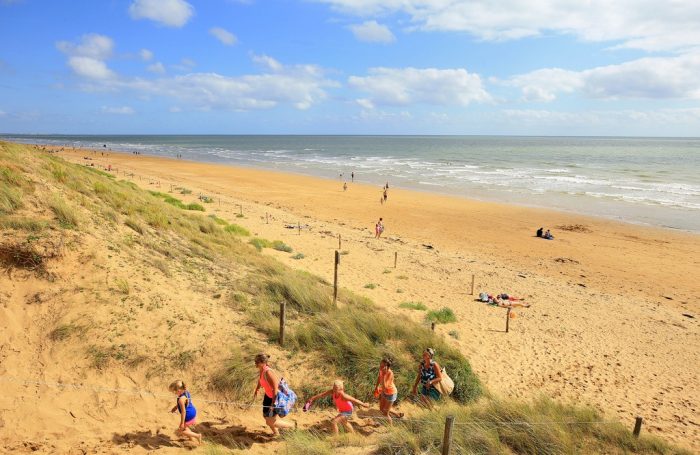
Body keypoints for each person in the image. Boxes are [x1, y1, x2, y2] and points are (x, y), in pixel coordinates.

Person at [305, 380, 369, 435]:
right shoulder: (332, 391)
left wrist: (363, 404)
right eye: (334, 387)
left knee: (334, 422)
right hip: (342, 410)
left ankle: (336, 437)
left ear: (341, 389)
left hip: (348, 411)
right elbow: (322, 394)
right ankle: (354, 434)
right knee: (345, 423)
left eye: (336, 388)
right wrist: (312, 398)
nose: (334, 389)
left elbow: (354, 400)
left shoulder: (343, 396)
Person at [253, 353, 295, 436]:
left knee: (270, 421)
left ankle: (292, 426)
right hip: (268, 396)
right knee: (266, 416)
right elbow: (260, 380)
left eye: (257, 361)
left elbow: (275, 389)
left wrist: (273, 404)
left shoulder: (268, 372)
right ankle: (276, 432)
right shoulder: (262, 369)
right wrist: (257, 388)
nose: (255, 363)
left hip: (275, 398)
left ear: (262, 362)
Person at [169, 380, 202, 446]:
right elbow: (185, 402)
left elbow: (183, 412)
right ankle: (191, 439)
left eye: (174, 392)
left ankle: (197, 436)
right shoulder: (185, 392)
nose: (174, 393)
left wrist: (181, 423)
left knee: (181, 430)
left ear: (178, 391)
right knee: (185, 427)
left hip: (188, 414)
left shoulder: (181, 399)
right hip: (192, 410)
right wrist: (176, 407)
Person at [373, 358, 403, 423]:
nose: (381, 367)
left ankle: (390, 428)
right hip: (384, 392)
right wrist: (377, 386)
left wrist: (384, 375)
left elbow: (385, 387)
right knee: (381, 409)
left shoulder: (390, 374)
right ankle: (397, 414)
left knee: (385, 413)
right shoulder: (381, 370)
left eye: (383, 366)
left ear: (387, 367)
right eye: (380, 364)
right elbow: (379, 377)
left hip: (391, 394)